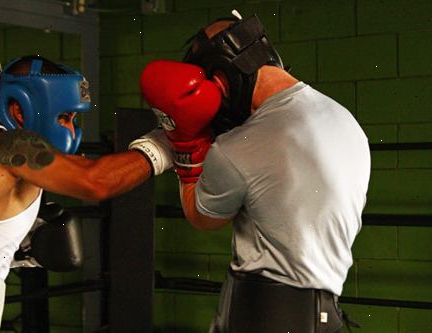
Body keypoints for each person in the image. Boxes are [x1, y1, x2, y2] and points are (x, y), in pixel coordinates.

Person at [140, 11, 370, 333]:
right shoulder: (345, 119)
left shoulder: (241, 146)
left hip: (264, 313)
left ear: (220, 79)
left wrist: (187, 141)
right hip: (325, 314)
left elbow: (203, 217)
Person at [0, 55, 172, 332]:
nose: (71, 129)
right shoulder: (10, 146)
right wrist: (164, 146)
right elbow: (94, 181)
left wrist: (12, 252)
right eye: (64, 117)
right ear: (20, 110)